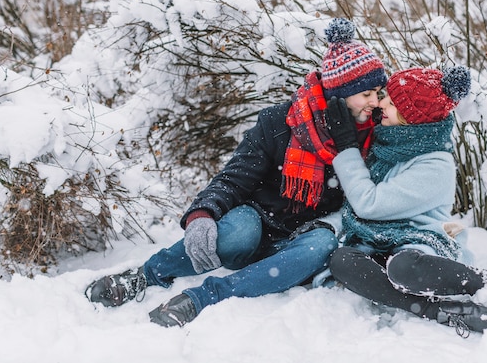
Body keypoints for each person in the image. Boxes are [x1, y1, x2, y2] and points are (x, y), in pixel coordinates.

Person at [84, 18, 388, 327]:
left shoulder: (375, 136)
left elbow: (368, 199)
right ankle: (146, 275)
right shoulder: (280, 122)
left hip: (302, 243)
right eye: (366, 94)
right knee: (241, 226)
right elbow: (234, 178)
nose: (375, 102)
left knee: (321, 246)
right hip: (258, 229)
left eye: (378, 92)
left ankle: (205, 297)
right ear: (339, 92)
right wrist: (202, 214)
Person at [325, 66, 487, 337]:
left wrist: (346, 148)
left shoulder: (435, 164)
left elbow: (369, 204)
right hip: (380, 240)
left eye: (391, 102)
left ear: (411, 117)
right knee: (342, 260)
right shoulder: (389, 145)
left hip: (420, 242)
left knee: (403, 268)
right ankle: (436, 310)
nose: (380, 105)